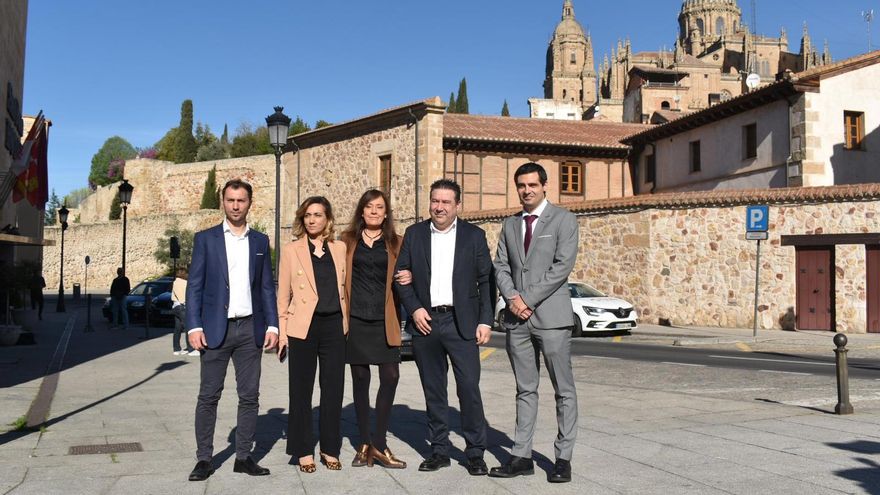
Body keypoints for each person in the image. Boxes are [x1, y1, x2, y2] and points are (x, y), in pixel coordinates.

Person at [394, 179, 493, 476]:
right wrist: (415, 308)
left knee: (469, 389)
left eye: (446, 202)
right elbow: (401, 275)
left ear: (457, 206)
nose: (439, 207)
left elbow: (487, 280)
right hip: (426, 323)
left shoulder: (474, 236)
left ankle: (475, 452)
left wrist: (485, 320)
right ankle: (439, 450)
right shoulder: (414, 234)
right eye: (435, 201)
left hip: (462, 323)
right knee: (434, 391)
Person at [488, 163, 579, 483]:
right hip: (517, 320)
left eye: (532, 185)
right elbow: (500, 265)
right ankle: (521, 455)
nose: (526, 190)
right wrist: (513, 298)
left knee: (563, 390)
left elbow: (562, 266)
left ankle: (563, 458)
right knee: (524, 389)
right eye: (521, 185)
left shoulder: (564, 219)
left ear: (544, 186)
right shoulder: (510, 224)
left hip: (551, 318)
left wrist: (527, 299)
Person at [185, 179, 279, 482]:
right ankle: (204, 459)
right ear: (222, 202)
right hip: (214, 329)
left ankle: (243, 456)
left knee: (250, 396)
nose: (236, 206)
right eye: (230, 200)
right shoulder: (206, 240)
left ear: (250, 202)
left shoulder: (261, 242)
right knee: (208, 396)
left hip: (250, 328)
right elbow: (194, 287)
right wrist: (193, 326)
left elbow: (266, 287)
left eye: (241, 200)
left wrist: (273, 325)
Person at [277, 196, 348, 473]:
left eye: (318, 215)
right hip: (302, 327)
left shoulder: (339, 248)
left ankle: (330, 448)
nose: (312, 220)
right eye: (307, 215)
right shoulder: (291, 250)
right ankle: (303, 450)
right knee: (301, 391)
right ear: (302, 219)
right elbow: (283, 296)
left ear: (327, 219)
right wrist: (283, 335)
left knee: (333, 390)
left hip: (333, 326)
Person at [341, 189, 406, 469]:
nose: (374, 212)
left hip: (384, 318)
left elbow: (409, 272)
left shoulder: (397, 242)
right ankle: (364, 443)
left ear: (386, 212)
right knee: (360, 380)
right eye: (369, 207)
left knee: (390, 375)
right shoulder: (346, 241)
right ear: (362, 211)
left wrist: (409, 274)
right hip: (355, 319)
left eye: (380, 207)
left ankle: (379, 443)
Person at [171, 268, 196, 356]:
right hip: (182, 306)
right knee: (188, 327)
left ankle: (176, 349)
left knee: (177, 328)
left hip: (176, 306)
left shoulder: (175, 282)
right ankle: (191, 349)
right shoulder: (184, 283)